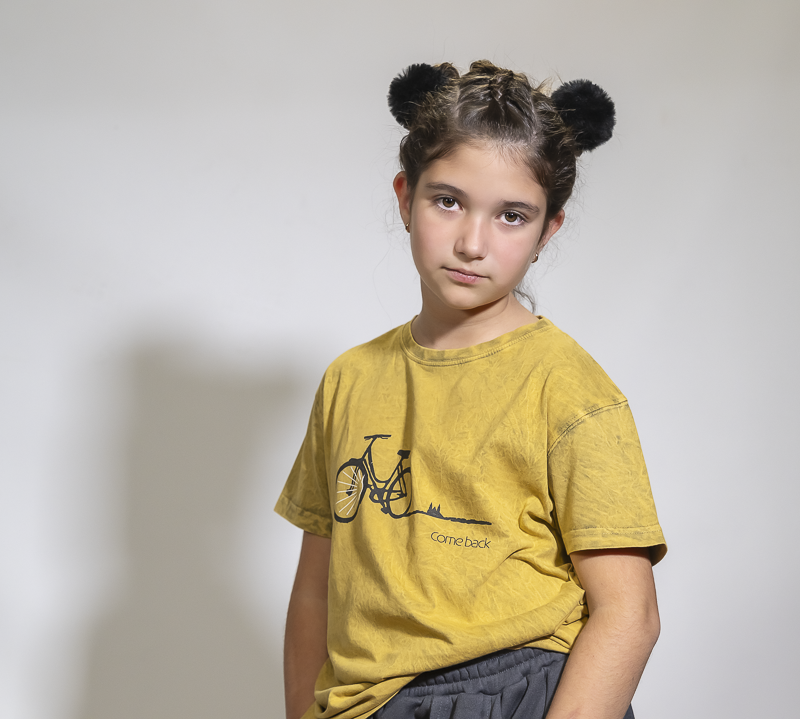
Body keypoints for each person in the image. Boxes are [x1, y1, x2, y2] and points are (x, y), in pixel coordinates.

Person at [276, 60, 666, 719]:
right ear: (405, 196)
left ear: (549, 231)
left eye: (512, 216)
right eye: (448, 200)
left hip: (521, 692)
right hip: (372, 700)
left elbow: (630, 613)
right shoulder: (350, 379)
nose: (471, 241)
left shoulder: (569, 389)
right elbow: (317, 588)